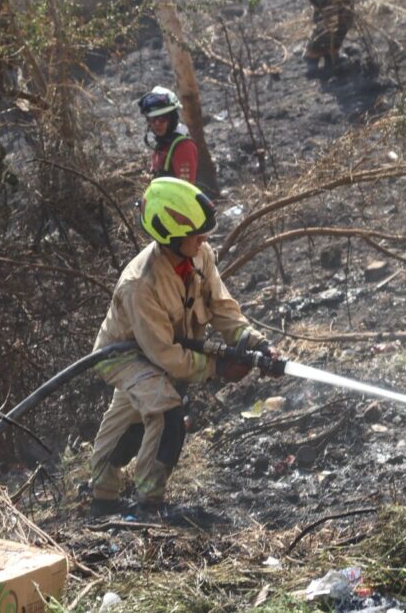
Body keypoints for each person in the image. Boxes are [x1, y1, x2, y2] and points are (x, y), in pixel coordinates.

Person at [88, 177, 273, 516]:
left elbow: (222, 307)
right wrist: (218, 368)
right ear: (171, 235)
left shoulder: (200, 256)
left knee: (128, 420)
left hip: (162, 349)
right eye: (197, 234)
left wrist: (253, 342)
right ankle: (149, 504)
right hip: (123, 356)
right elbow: (166, 356)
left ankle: (101, 496)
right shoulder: (140, 285)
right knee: (166, 410)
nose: (205, 240)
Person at [138, 86, 198, 184]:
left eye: (162, 118)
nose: (157, 124)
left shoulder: (183, 146)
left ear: (172, 119)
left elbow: (186, 187)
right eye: (153, 119)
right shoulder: (161, 147)